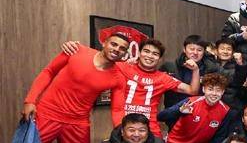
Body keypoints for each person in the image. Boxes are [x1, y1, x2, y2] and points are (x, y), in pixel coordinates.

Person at [58, 38, 201, 137]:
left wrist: (195, 70)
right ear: (139, 53)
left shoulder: (163, 78)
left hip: (151, 130)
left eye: (155, 54)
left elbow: (192, 91)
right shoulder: (121, 67)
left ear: (160, 59)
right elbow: (99, 59)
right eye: (146, 51)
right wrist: (75, 47)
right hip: (124, 128)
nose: (150, 56)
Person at [158, 73, 236, 143]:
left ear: (222, 92)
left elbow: (220, 136)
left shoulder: (225, 110)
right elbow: (161, 116)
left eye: (218, 90)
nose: (214, 94)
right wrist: (179, 111)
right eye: (210, 89)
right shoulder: (191, 102)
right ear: (203, 89)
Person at [160, 35, 220, 109]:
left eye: (199, 50)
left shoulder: (211, 69)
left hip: (200, 111)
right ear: (184, 49)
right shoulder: (170, 67)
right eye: (192, 49)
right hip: (173, 110)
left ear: (204, 51)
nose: (195, 52)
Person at [209, 39, 247, 110]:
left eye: (229, 49)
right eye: (222, 49)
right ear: (216, 51)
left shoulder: (239, 67)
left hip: (231, 106)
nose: (225, 52)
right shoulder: (211, 63)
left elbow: (238, 81)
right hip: (211, 105)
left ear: (233, 52)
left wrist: (240, 63)